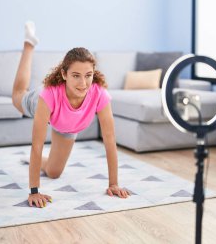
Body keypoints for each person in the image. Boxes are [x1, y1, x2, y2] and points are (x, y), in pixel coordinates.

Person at [12, 21, 130, 208]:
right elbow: (37, 145)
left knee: (54, 172)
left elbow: (109, 140)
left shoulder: (99, 94)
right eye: (76, 75)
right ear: (64, 74)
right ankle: (29, 44)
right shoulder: (47, 96)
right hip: (42, 106)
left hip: (67, 125)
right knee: (17, 95)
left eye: (88, 75)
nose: (83, 83)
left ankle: (37, 164)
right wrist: (34, 191)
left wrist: (113, 184)